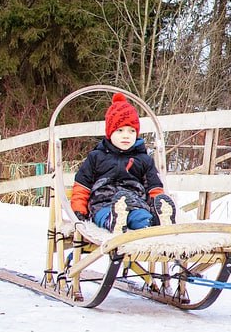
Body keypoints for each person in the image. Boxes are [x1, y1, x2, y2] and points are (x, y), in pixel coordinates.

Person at [70, 93, 176, 233]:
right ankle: (113, 221)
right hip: (103, 203)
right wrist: (78, 210)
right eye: (120, 130)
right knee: (102, 215)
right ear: (110, 132)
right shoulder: (96, 157)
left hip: (135, 203)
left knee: (141, 216)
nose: (126, 135)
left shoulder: (144, 160)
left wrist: (157, 203)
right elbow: (82, 186)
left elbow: (154, 187)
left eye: (131, 131)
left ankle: (155, 222)